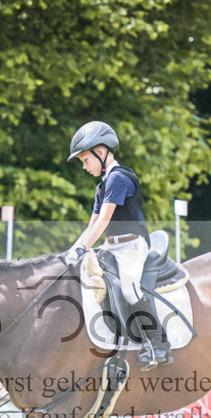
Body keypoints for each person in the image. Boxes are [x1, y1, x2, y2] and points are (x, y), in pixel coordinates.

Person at [64, 120, 173, 371]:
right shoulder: (102, 186)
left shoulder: (119, 179)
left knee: (130, 290)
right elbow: (91, 226)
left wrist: (83, 248)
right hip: (111, 247)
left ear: (100, 152)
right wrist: (72, 251)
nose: (84, 166)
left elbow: (103, 221)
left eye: (85, 160)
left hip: (131, 247)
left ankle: (158, 344)